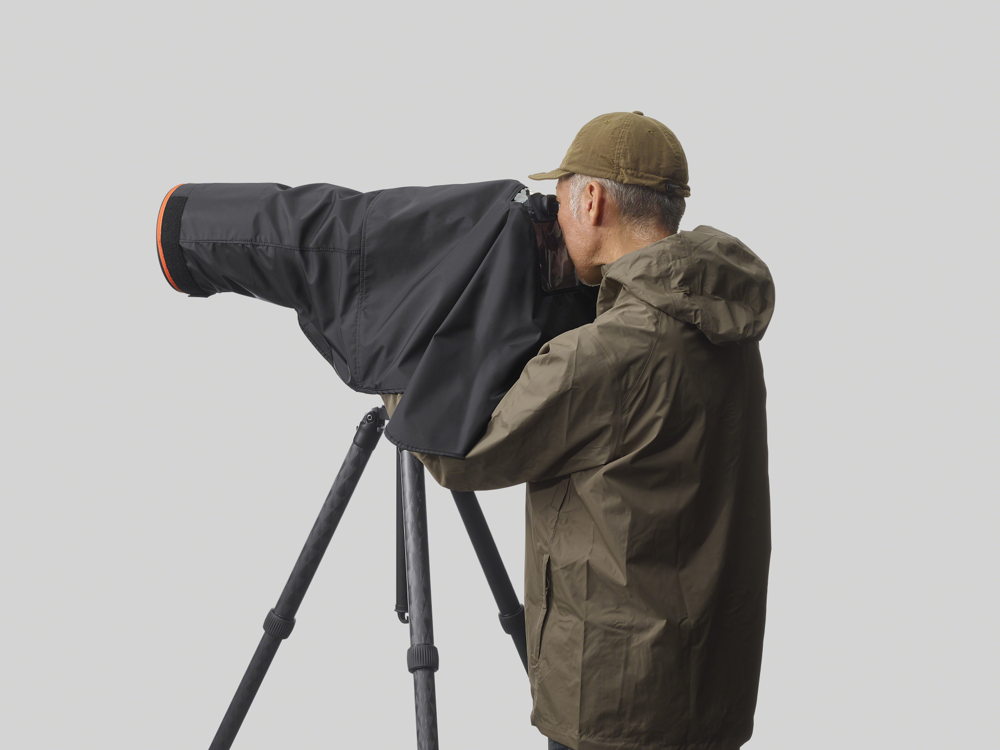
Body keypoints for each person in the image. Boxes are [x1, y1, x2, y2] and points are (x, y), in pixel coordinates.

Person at [381, 111, 774, 750]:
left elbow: (465, 455)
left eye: (561, 199)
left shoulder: (607, 351)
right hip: (708, 683)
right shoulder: (717, 317)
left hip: (616, 702)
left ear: (591, 200)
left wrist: (395, 370)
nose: (557, 219)